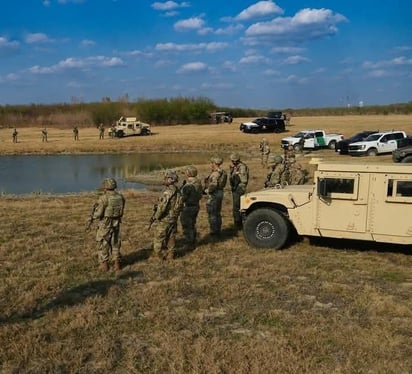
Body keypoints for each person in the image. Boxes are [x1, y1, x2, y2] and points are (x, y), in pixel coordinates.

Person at [87, 178, 125, 271]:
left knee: (103, 242)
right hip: (116, 222)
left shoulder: (103, 198)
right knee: (115, 242)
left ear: (105, 187)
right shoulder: (120, 197)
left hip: (105, 223)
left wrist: (92, 217)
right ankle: (117, 263)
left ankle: (104, 264)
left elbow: (99, 213)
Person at [151, 171, 183, 260]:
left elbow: (162, 207)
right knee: (171, 236)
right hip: (174, 218)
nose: (164, 180)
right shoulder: (177, 190)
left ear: (170, 180)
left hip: (165, 219)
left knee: (158, 237)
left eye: (165, 178)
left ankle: (158, 256)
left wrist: (156, 217)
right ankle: (171, 255)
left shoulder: (168, 192)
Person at [180, 165, 203, 249]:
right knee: (192, 224)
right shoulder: (198, 182)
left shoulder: (188, 185)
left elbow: (183, 198)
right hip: (196, 206)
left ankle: (189, 243)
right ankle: (193, 239)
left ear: (188, 173)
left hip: (188, 207)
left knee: (186, 225)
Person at [204, 156, 227, 237]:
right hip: (220, 193)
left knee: (212, 213)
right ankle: (218, 230)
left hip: (214, 195)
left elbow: (213, 185)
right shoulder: (222, 172)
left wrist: (207, 191)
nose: (210, 164)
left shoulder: (215, 173)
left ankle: (214, 232)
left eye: (211, 163)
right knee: (217, 213)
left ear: (214, 164)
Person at [229, 153, 249, 230]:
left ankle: (238, 223)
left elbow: (244, 179)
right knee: (236, 206)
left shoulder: (242, 167)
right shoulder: (235, 166)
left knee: (237, 206)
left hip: (239, 188)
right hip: (236, 187)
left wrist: (236, 175)